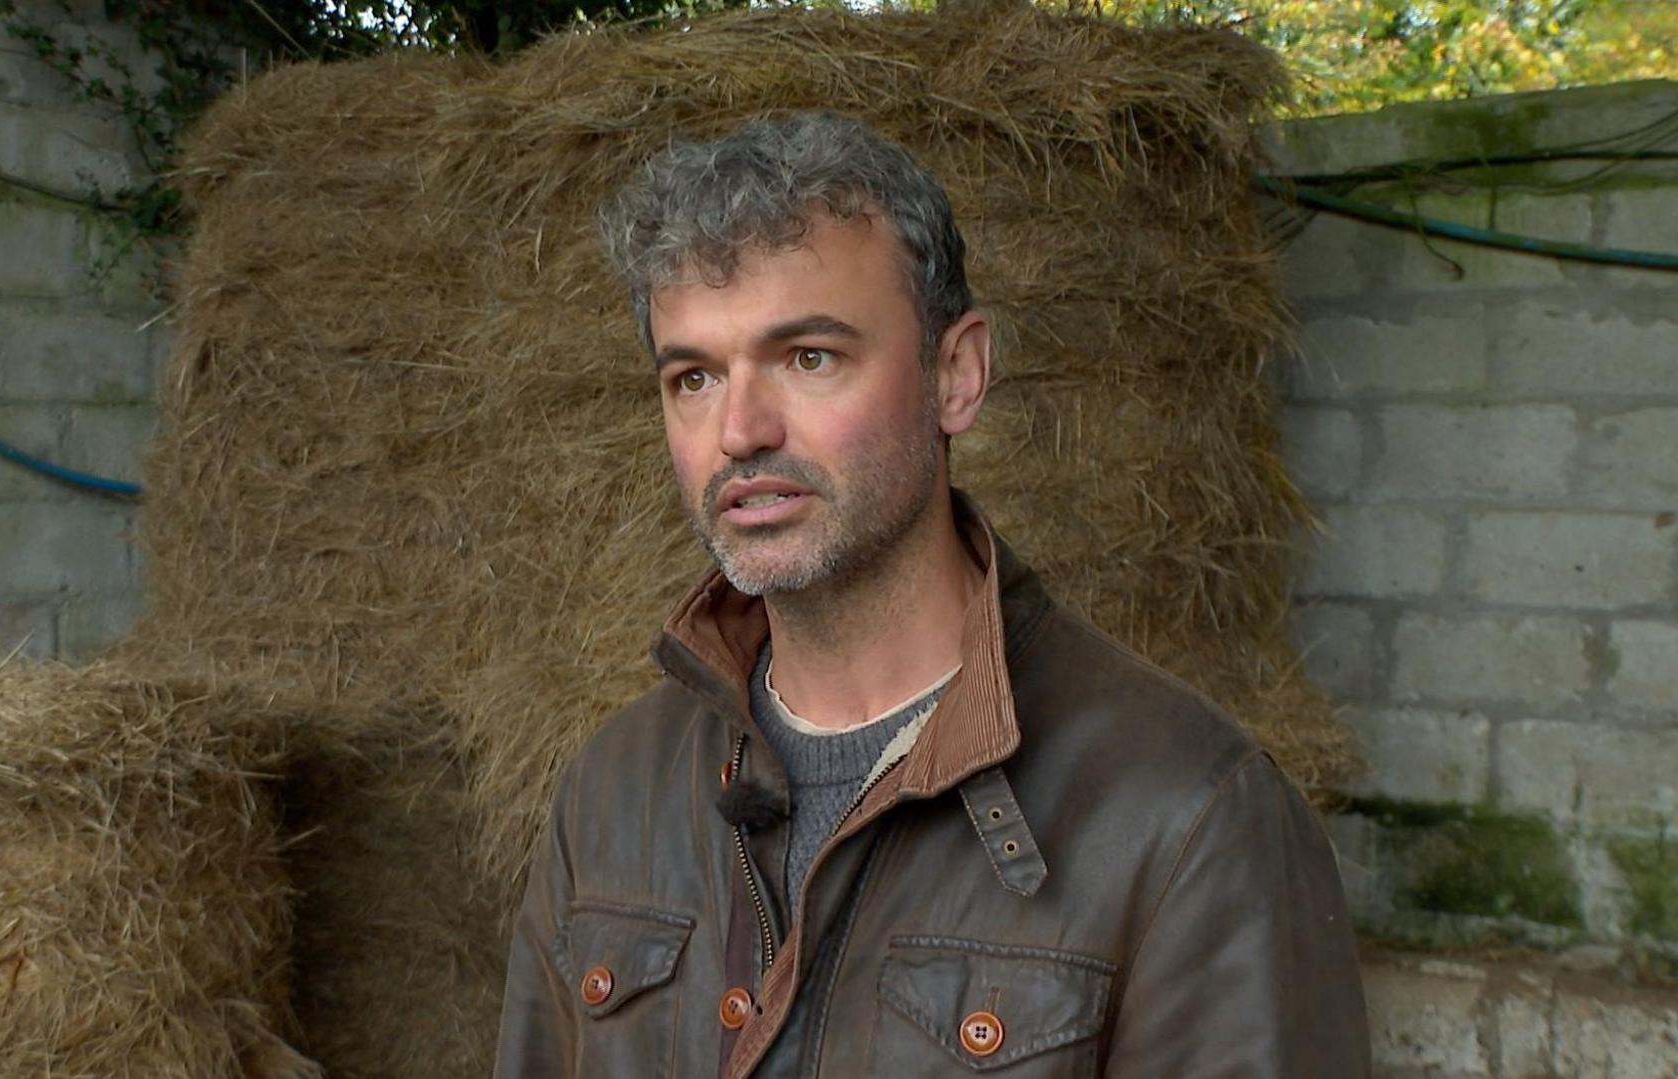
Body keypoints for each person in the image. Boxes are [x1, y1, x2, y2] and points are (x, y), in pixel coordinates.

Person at [494, 111, 1368, 1077]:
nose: (739, 429)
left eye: (808, 357)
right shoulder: (613, 793)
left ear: (957, 376)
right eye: (694, 376)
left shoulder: (1188, 817)